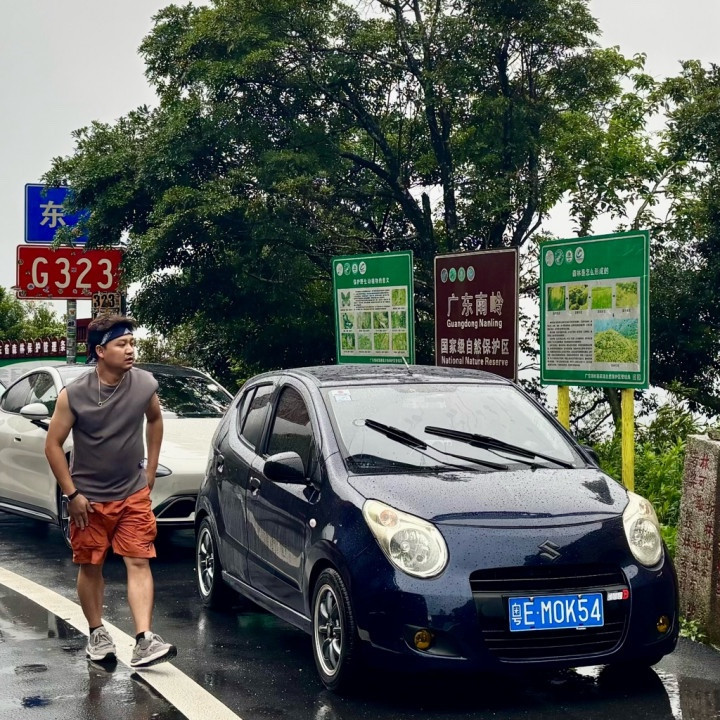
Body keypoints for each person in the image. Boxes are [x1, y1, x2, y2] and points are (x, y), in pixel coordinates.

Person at [45, 315, 176, 668]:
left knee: (139, 559)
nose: (130, 350)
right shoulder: (74, 395)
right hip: (88, 498)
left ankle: (144, 639)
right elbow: (53, 445)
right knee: (91, 565)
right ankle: (97, 633)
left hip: (132, 491)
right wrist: (72, 495)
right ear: (101, 351)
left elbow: (155, 419)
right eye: (122, 344)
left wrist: (150, 469)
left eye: (132, 343)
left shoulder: (144, 384)